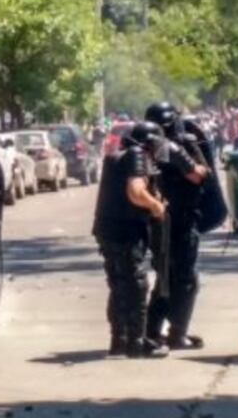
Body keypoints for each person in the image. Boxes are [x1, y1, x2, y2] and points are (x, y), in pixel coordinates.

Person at [93, 122, 169, 358]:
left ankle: (119, 340)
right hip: (126, 231)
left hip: (108, 229)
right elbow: (135, 192)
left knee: (119, 285)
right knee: (136, 285)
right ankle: (137, 341)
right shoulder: (137, 155)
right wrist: (156, 206)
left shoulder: (117, 157)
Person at [144, 102, 210, 351]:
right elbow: (198, 175)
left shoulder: (144, 148)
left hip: (159, 220)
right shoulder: (168, 146)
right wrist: (189, 152)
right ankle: (176, 334)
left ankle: (152, 331)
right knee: (184, 279)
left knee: (165, 277)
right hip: (178, 221)